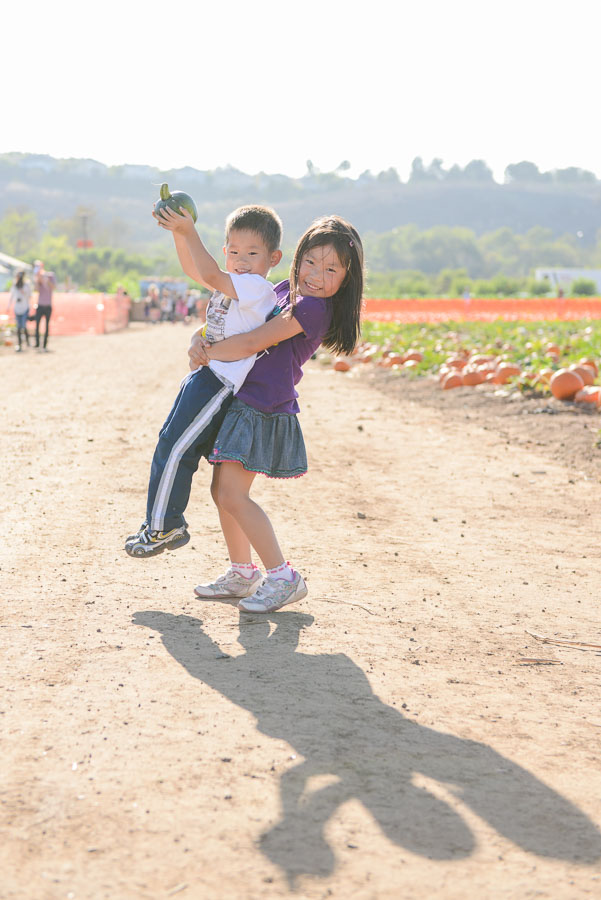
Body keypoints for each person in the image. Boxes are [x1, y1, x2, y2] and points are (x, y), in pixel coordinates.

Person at [188, 214, 364, 613]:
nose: (317, 275)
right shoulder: (286, 290)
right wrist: (200, 341)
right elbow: (233, 322)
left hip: (263, 405)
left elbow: (253, 341)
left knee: (233, 494)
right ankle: (242, 573)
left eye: (331, 268)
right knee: (222, 493)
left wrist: (208, 354)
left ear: (347, 278)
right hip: (243, 396)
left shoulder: (316, 309)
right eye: (311, 263)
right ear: (296, 259)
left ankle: (283, 576)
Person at [125, 203, 283, 558]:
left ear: (273, 258)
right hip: (204, 375)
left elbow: (210, 275)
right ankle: (160, 522)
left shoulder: (257, 288)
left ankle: (165, 526)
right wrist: (179, 234)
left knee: (178, 447)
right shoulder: (235, 283)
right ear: (226, 251)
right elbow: (194, 269)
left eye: (253, 253)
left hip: (219, 382)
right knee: (170, 443)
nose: (242, 260)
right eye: (235, 252)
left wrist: (191, 231)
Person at [33, 261, 56, 352]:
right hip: (40, 305)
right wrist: (38, 279)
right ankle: (37, 344)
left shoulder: (50, 275)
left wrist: (46, 279)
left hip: (48, 305)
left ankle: (45, 344)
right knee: (37, 325)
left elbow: (53, 287)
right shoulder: (38, 277)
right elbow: (36, 289)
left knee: (47, 326)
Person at [8, 271, 32, 352]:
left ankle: (28, 342)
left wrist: (23, 292)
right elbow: (12, 295)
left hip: (24, 307)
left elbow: (29, 295)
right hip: (17, 307)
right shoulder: (15, 285)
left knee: (23, 326)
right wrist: (8, 306)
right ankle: (19, 344)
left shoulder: (26, 284)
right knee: (18, 326)